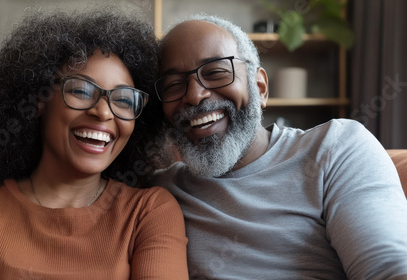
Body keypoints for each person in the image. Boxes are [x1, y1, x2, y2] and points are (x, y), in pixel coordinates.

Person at [0, 7, 188, 279]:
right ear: (39, 98)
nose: (103, 112)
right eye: (81, 90)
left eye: (124, 100)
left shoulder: (149, 212)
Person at [147, 14, 407, 279]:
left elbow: (389, 269)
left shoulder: (336, 148)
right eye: (173, 85)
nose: (194, 95)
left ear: (260, 88)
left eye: (215, 73)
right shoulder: (156, 194)